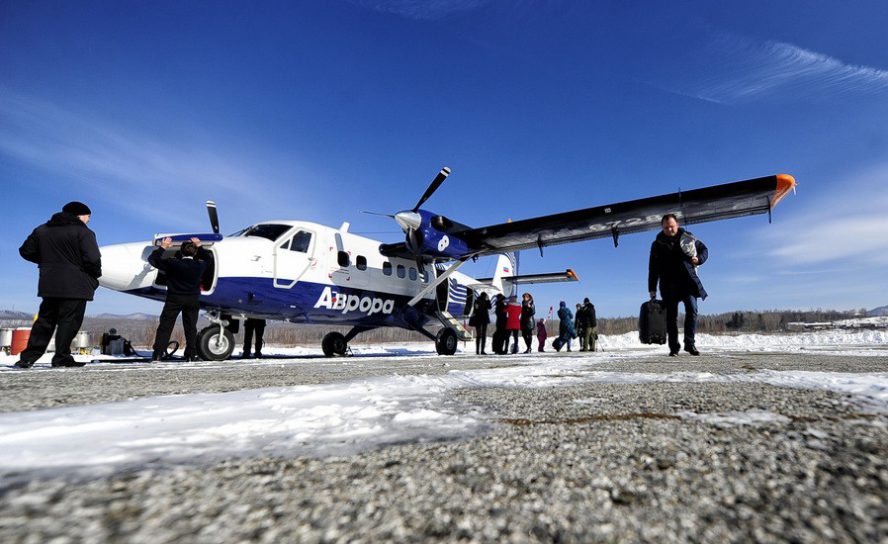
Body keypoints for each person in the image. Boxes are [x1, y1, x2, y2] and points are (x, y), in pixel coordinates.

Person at [15, 201, 101, 368]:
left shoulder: (42, 230)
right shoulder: (84, 232)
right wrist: (95, 276)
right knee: (69, 321)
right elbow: (93, 259)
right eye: (87, 217)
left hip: (49, 282)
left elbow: (25, 251)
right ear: (79, 215)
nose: (88, 220)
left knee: (45, 320)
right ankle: (61, 357)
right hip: (77, 283)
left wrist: (48, 262)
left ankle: (28, 357)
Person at [648, 214, 708, 356]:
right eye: (666, 227)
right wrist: (652, 289)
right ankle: (674, 348)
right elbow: (653, 268)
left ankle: (689, 344)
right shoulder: (657, 244)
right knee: (671, 317)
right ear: (662, 227)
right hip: (668, 285)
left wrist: (698, 259)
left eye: (672, 226)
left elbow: (704, 250)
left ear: (677, 224)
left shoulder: (688, 237)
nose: (670, 229)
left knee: (692, 310)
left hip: (687, 282)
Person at [149, 237, 213, 362]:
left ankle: (158, 354)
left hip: (174, 298)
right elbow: (208, 259)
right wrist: (199, 245)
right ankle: (190, 354)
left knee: (165, 326)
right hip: (192, 299)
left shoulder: (173, 263)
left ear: (182, 252)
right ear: (194, 253)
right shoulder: (200, 265)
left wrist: (164, 246)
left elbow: (153, 259)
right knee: (190, 328)